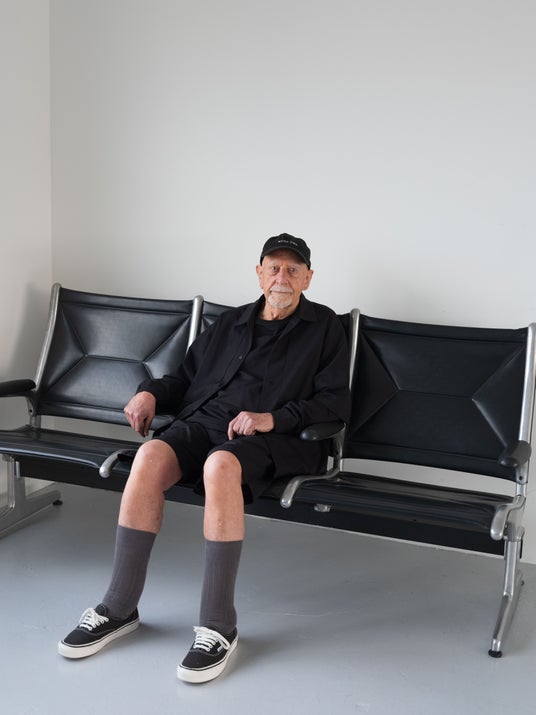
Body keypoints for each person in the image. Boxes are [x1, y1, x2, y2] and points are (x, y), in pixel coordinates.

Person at [58, 233, 351, 683]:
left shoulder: (325, 327)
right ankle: (119, 606)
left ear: (308, 278)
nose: (282, 277)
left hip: (278, 436)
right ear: (259, 273)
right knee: (149, 455)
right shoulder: (230, 322)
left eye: (293, 270)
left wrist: (272, 418)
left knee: (220, 465)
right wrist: (150, 393)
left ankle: (218, 625)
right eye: (274, 267)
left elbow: (334, 403)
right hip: (207, 424)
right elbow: (184, 379)